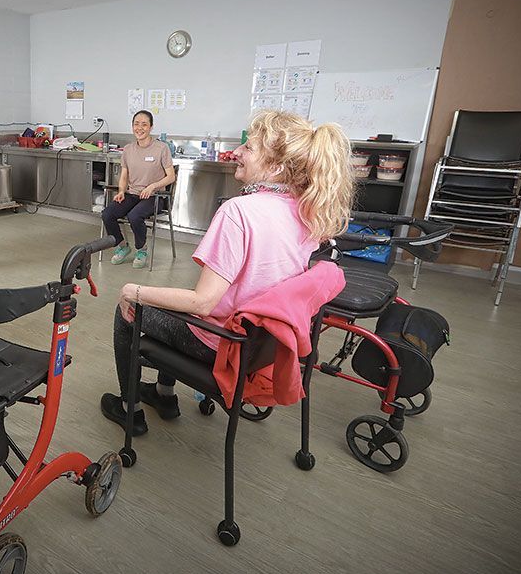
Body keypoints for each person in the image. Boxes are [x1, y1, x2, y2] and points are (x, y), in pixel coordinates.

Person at [99, 110, 353, 435]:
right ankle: (163, 395)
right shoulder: (307, 211)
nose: (237, 152)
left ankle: (130, 410)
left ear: (276, 167)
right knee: (170, 303)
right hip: (257, 344)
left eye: (249, 147)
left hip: (219, 341)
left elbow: (203, 303)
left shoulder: (238, 212)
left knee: (129, 310)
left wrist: (132, 291)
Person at [102, 110, 177, 269]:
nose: (139, 128)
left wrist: (153, 186)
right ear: (132, 126)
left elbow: (171, 177)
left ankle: (141, 250)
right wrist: (121, 191)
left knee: (134, 216)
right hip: (132, 194)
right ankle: (122, 246)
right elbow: (124, 175)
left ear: (151, 127)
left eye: (144, 124)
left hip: (155, 196)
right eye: (136, 124)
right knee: (107, 214)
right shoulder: (128, 149)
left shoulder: (161, 148)